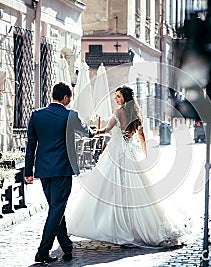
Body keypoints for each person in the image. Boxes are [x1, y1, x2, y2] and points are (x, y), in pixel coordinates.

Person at [66, 86, 190, 247]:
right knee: (141, 190)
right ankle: (139, 227)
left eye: (118, 97)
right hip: (132, 152)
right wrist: (145, 155)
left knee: (108, 188)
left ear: (125, 98)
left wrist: (93, 132)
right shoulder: (136, 114)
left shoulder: (118, 113)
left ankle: (115, 227)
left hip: (116, 153)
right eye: (115, 96)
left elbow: (106, 129)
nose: (116, 99)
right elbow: (141, 136)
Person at [24, 82, 95, 263]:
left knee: (56, 208)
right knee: (57, 209)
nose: (69, 102)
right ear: (65, 98)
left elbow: (31, 145)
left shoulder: (36, 115)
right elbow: (87, 132)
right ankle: (42, 251)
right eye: (69, 98)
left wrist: (28, 171)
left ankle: (66, 246)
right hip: (62, 170)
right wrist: (91, 130)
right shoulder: (70, 115)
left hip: (43, 170)